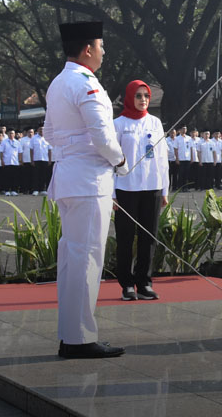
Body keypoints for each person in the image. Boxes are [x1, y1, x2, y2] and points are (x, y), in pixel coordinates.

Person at [44, 20, 127, 359]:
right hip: (90, 180)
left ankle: (71, 334)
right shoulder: (86, 83)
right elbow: (102, 136)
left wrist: (72, 150)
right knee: (86, 257)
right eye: (101, 46)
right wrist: (121, 161)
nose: (104, 52)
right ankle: (79, 338)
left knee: (72, 257)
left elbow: (49, 133)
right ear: (88, 49)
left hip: (68, 177)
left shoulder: (58, 83)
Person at [112, 80, 169, 301]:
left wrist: (164, 189)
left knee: (149, 237)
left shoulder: (155, 122)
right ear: (129, 97)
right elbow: (110, 161)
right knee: (125, 237)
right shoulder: (118, 124)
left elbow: (162, 158)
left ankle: (144, 282)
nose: (143, 99)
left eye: (146, 95)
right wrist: (112, 194)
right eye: (138, 95)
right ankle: (127, 284)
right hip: (125, 188)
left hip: (152, 186)